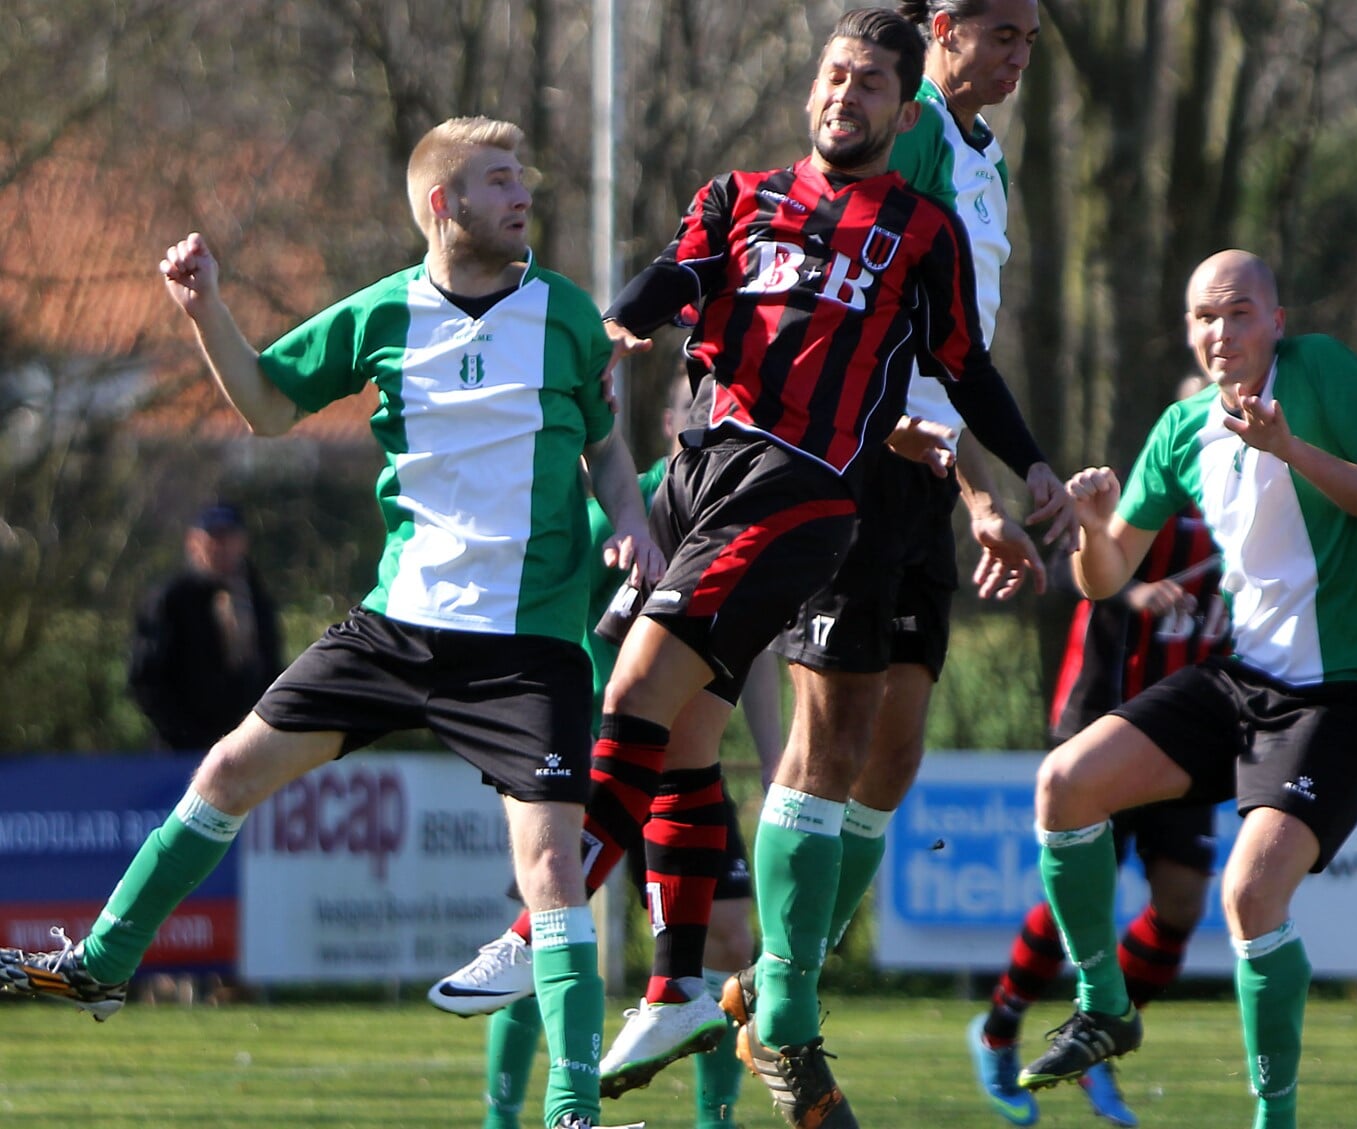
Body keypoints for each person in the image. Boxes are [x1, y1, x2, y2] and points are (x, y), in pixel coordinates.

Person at [439, 12, 1064, 1129]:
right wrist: (623, 323)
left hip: (799, 491)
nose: (846, 96)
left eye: (871, 83)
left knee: (639, 696)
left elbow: (965, 366)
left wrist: (1029, 470)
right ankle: (677, 981)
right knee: (677, 736)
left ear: (901, 99)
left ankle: (549, 929)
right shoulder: (735, 197)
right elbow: (677, 279)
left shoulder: (919, 229)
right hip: (693, 476)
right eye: (835, 75)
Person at [0, 118, 651, 1129]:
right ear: (445, 206)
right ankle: (100, 967)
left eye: (522, 176)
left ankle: (572, 1110)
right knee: (222, 775)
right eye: (498, 179)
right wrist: (203, 307)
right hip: (397, 630)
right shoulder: (381, 314)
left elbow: (608, 453)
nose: (523, 194)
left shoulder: (564, 313)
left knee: (553, 871)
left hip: (526, 648)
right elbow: (263, 406)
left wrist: (636, 529)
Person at [721, 0, 1057, 1108]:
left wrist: (986, 481)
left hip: (922, 474)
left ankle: (780, 981)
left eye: (1029, 38)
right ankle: (784, 1010)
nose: (1018, 55)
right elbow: (873, 331)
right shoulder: (904, 128)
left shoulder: (979, 157)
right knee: (826, 739)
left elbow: (952, 348)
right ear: (943, 28)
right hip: (856, 460)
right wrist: (974, 484)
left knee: (893, 750)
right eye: (1002, 33)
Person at [1017, 250, 1357, 1129]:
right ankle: (1104, 1005)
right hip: (1244, 681)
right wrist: (1087, 525)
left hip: (1344, 692)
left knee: (1248, 894)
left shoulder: (1322, 372)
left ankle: (1273, 1118)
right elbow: (1105, 570)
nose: (1218, 332)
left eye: (1237, 313)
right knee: (1064, 784)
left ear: (1276, 319)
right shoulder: (1181, 424)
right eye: (1203, 316)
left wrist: (1289, 448)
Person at [476, 381, 775, 1129]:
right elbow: (545, 617)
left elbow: (755, 650)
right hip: (592, 754)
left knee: (730, 933)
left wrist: (777, 757)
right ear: (674, 420)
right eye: (700, 406)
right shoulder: (627, 512)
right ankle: (501, 1119)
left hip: (682, 769)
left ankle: (715, 1120)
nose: (713, 420)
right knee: (549, 928)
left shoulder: (746, 516)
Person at [968, 377, 1229, 1128]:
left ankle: (1097, 1040)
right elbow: (1095, 564)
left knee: (1180, 901)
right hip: (1103, 715)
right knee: (1077, 901)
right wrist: (1129, 588)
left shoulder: (1259, 511)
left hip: (1188, 725)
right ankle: (997, 1028)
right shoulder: (1148, 497)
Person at [127, 503, 285, 753]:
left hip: (246, 746)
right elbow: (145, 675)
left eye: (229, 538)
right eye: (213, 537)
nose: (221, 547)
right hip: (182, 750)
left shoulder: (256, 599)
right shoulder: (172, 599)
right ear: (194, 542)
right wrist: (179, 734)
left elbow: (271, 666)